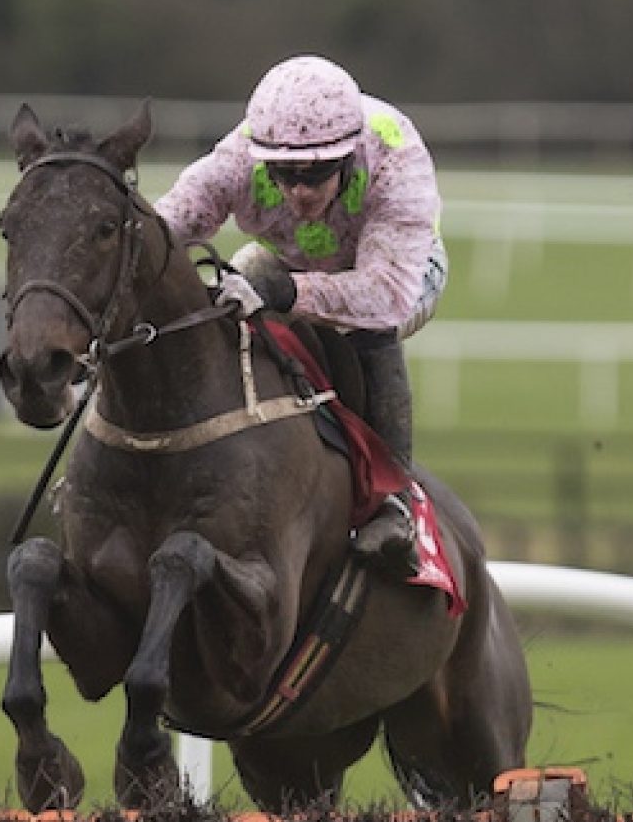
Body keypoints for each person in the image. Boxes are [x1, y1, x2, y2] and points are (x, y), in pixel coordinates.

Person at [155, 54, 448, 578]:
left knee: (368, 330)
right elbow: (169, 226)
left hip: (398, 273)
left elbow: (386, 294)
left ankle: (394, 503)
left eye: (315, 175)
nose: (299, 193)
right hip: (288, 262)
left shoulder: (395, 159)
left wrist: (283, 291)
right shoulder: (241, 153)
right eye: (285, 175)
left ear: (348, 158)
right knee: (230, 283)